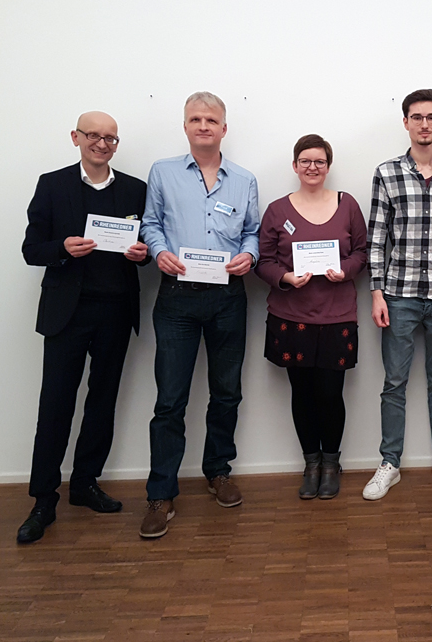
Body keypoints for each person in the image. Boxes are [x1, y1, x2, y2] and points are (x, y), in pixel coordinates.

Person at [18, 111, 149, 544]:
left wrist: (141, 255)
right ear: (76, 137)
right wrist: (63, 248)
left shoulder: (135, 189)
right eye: (94, 135)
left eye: (111, 137)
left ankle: (85, 483)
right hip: (66, 313)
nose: (103, 143)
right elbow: (31, 249)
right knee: (54, 405)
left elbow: (145, 247)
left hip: (114, 310)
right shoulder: (52, 184)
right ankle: (42, 499)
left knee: (102, 401)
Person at [139, 92, 260, 538]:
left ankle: (218, 471)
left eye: (212, 119)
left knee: (226, 392)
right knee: (170, 399)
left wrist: (248, 256)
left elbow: (251, 231)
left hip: (228, 296)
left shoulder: (244, 179)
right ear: (185, 126)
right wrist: (159, 251)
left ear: (224, 128)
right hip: (176, 299)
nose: (203, 125)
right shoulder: (163, 172)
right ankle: (161, 492)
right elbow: (151, 222)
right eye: (195, 118)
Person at [362, 88, 432, 500]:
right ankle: (389, 462)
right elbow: (377, 240)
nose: (424, 124)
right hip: (400, 295)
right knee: (394, 382)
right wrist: (376, 293)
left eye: (431, 116)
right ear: (406, 123)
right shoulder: (386, 172)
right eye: (416, 117)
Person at [255, 134, 367, 500]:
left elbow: (363, 252)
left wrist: (344, 271)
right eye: (306, 161)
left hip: (337, 315)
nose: (313, 167)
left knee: (330, 393)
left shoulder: (347, 205)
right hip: (291, 315)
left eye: (319, 161)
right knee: (301, 393)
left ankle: (331, 464)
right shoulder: (277, 210)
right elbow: (264, 260)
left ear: (328, 166)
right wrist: (285, 277)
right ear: (295, 166)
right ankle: (311, 463)